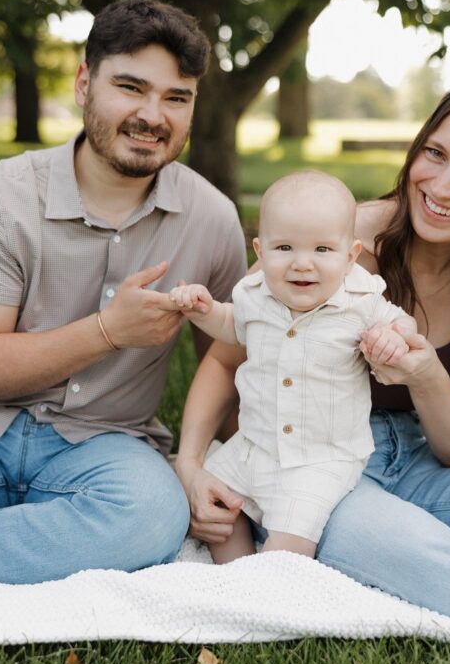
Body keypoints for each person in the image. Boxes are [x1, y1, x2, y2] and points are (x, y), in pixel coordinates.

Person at [175, 76, 450, 664]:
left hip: (417, 460)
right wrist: (191, 463)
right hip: (317, 466)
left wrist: (424, 374)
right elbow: (227, 353)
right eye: (435, 153)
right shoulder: (332, 240)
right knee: (413, 549)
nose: (441, 186)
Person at [0, 0, 247, 584]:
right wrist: (110, 330)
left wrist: (214, 473)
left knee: (149, 519)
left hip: (109, 448)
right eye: (131, 87)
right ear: (84, 83)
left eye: (176, 98)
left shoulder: (212, 218)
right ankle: (14, 546)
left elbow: (232, 366)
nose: (152, 115)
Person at [169, 171, 416, 562]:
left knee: (291, 544)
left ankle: (272, 581)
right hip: (255, 445)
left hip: (320, 458)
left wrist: (395, 336)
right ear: (260, 251)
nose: (303, 264)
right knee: (219, 504)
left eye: (322, 250)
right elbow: (230, 327)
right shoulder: (255, 294)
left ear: (350, 255)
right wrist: (204, 309)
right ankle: (234, 572)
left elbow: (403, 322)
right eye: (285, 247)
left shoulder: (360, 299)